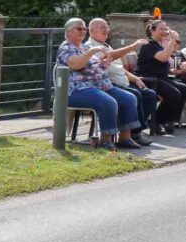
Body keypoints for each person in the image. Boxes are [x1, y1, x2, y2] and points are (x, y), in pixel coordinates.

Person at [56, 18, 142, 151]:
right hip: (77, 90)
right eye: (79, 28)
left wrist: (103, 64)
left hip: (99, 86)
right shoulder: (66, 48)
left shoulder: (84, 47)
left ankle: (125, 138)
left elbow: (95, 66)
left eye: (84, 29)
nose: (83, 31)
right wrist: (91, 51)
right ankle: (105, 140)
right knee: (108, 102)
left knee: (129, 98)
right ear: (69, 31)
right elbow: (76, 64)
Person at [86, 18, 157, 146]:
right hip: (109, 84)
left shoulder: (106, 45)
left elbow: (119, 68)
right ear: (92, 30)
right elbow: (109, 56)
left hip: (123, 82)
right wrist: (132, 47)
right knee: (135, 95)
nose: (106, 30)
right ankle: (131, 134)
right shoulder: (90, 46)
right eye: (102, 27)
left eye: (107, 27)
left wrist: (135, 78)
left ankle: (135, 131)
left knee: (150, 94)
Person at [136, 20, 186, 134]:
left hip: (161, 78)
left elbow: (167, 63)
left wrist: (175, 69)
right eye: (161, 29)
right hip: (148, 79)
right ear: (152, 31)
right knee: (174, 93)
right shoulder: (148, 46)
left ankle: (170, 119)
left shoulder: (161, 45)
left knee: (184, 89)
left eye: (165, 29)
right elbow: (163, 58)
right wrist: (172, 41)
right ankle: (156, 121)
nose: (164, 31)